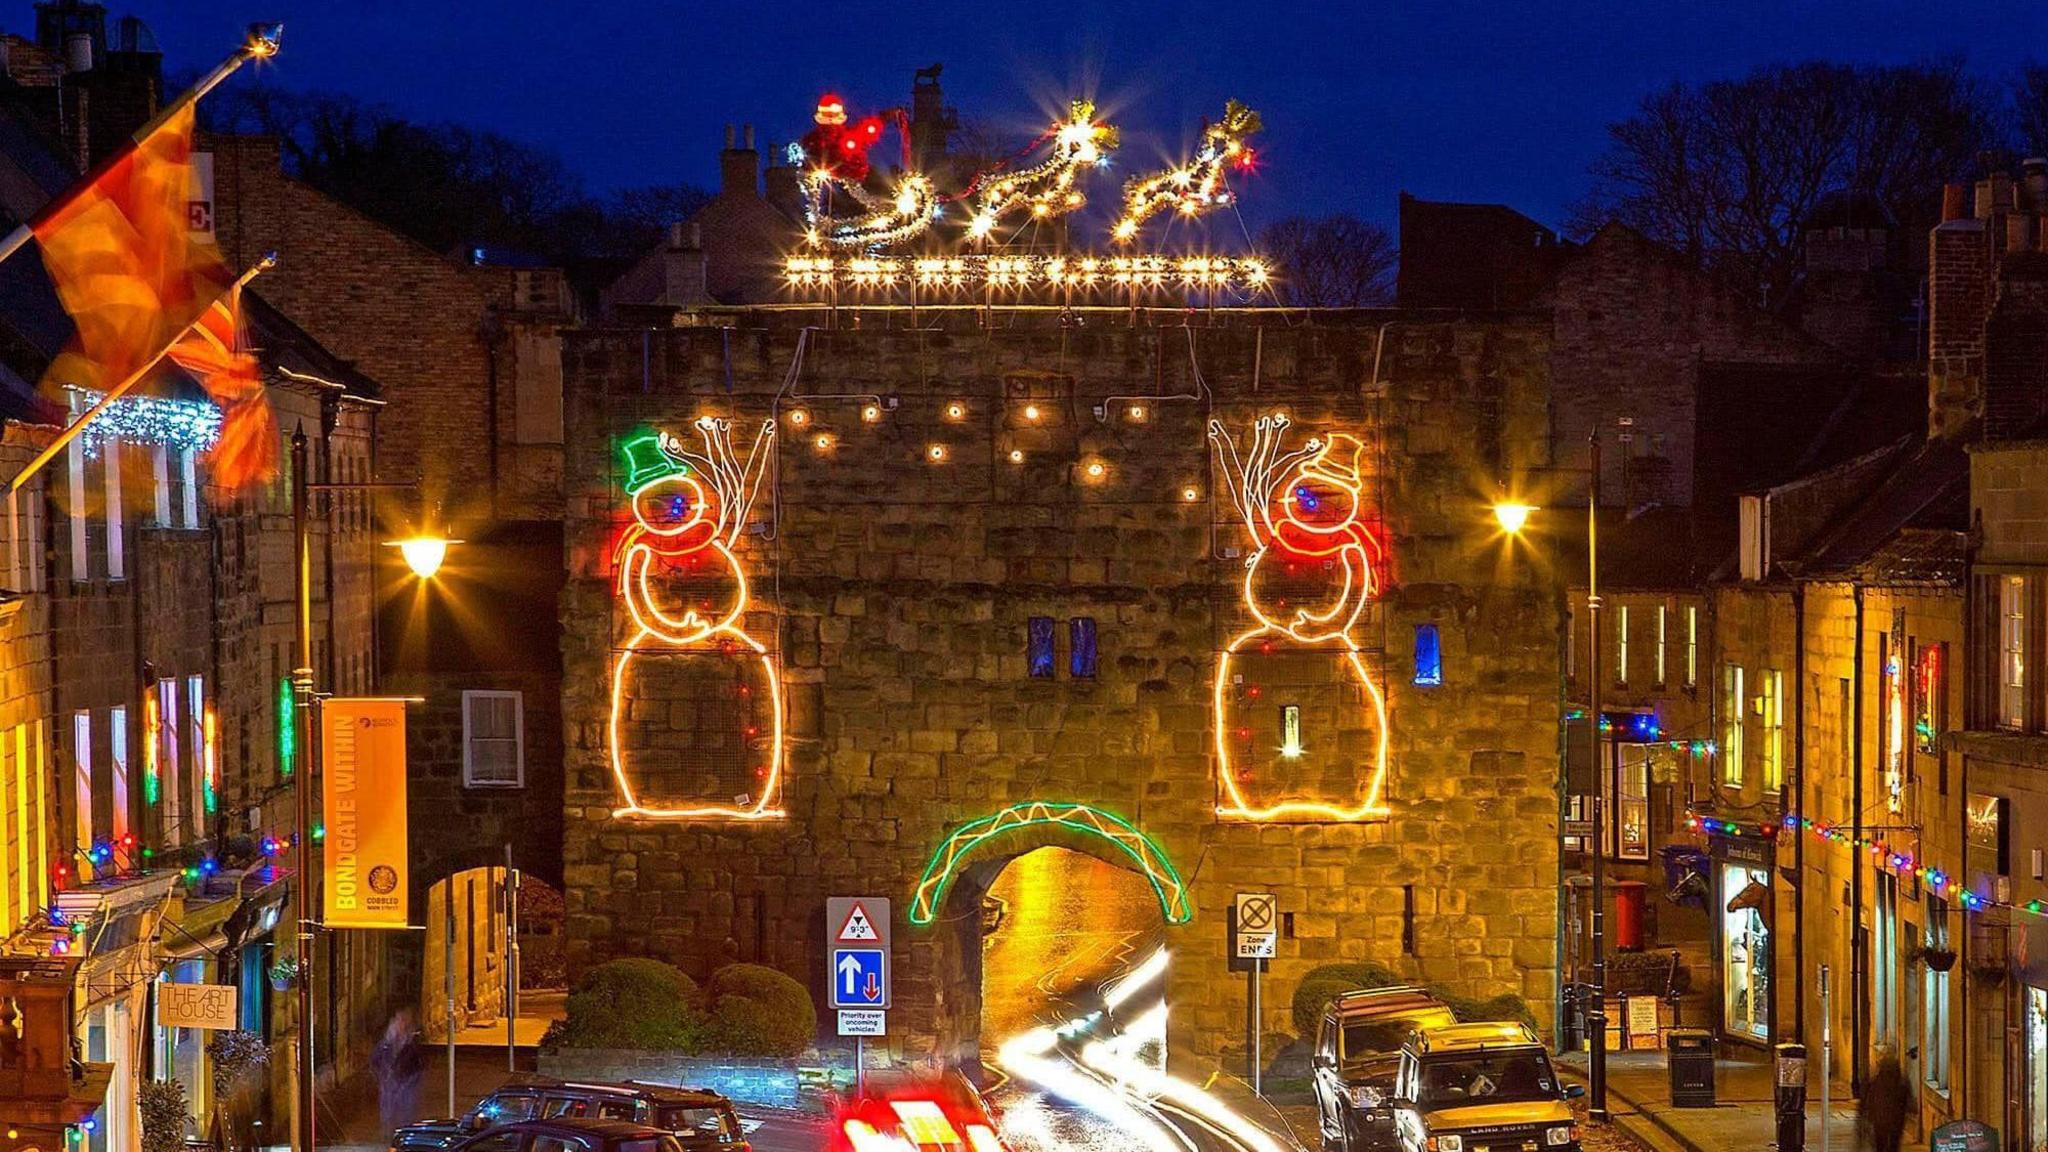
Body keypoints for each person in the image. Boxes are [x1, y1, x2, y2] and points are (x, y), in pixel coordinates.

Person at [371, 1008, 426, 1135]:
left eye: (404, 1021)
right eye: (399, 1020)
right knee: (388, 1113)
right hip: (390, 1084)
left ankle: (403, 1135)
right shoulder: (386, 1042)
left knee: (405, 1113)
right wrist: (381, 1076)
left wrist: (411, 1079)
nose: (401, 1024)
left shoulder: (411, 1042)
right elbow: (376, 1059)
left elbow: (419, 1063)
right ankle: (389, 1135)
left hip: (406, 1083)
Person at [1859, 1052, 1910, 1152]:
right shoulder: (1901, 1084)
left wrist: (1868, 1114)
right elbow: (1906, 1102)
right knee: (1893, 1145)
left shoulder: (1876, 1083)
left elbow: (1869, 1100)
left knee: (1881, 1144)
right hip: (1896, 1121)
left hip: (1881, 1121)